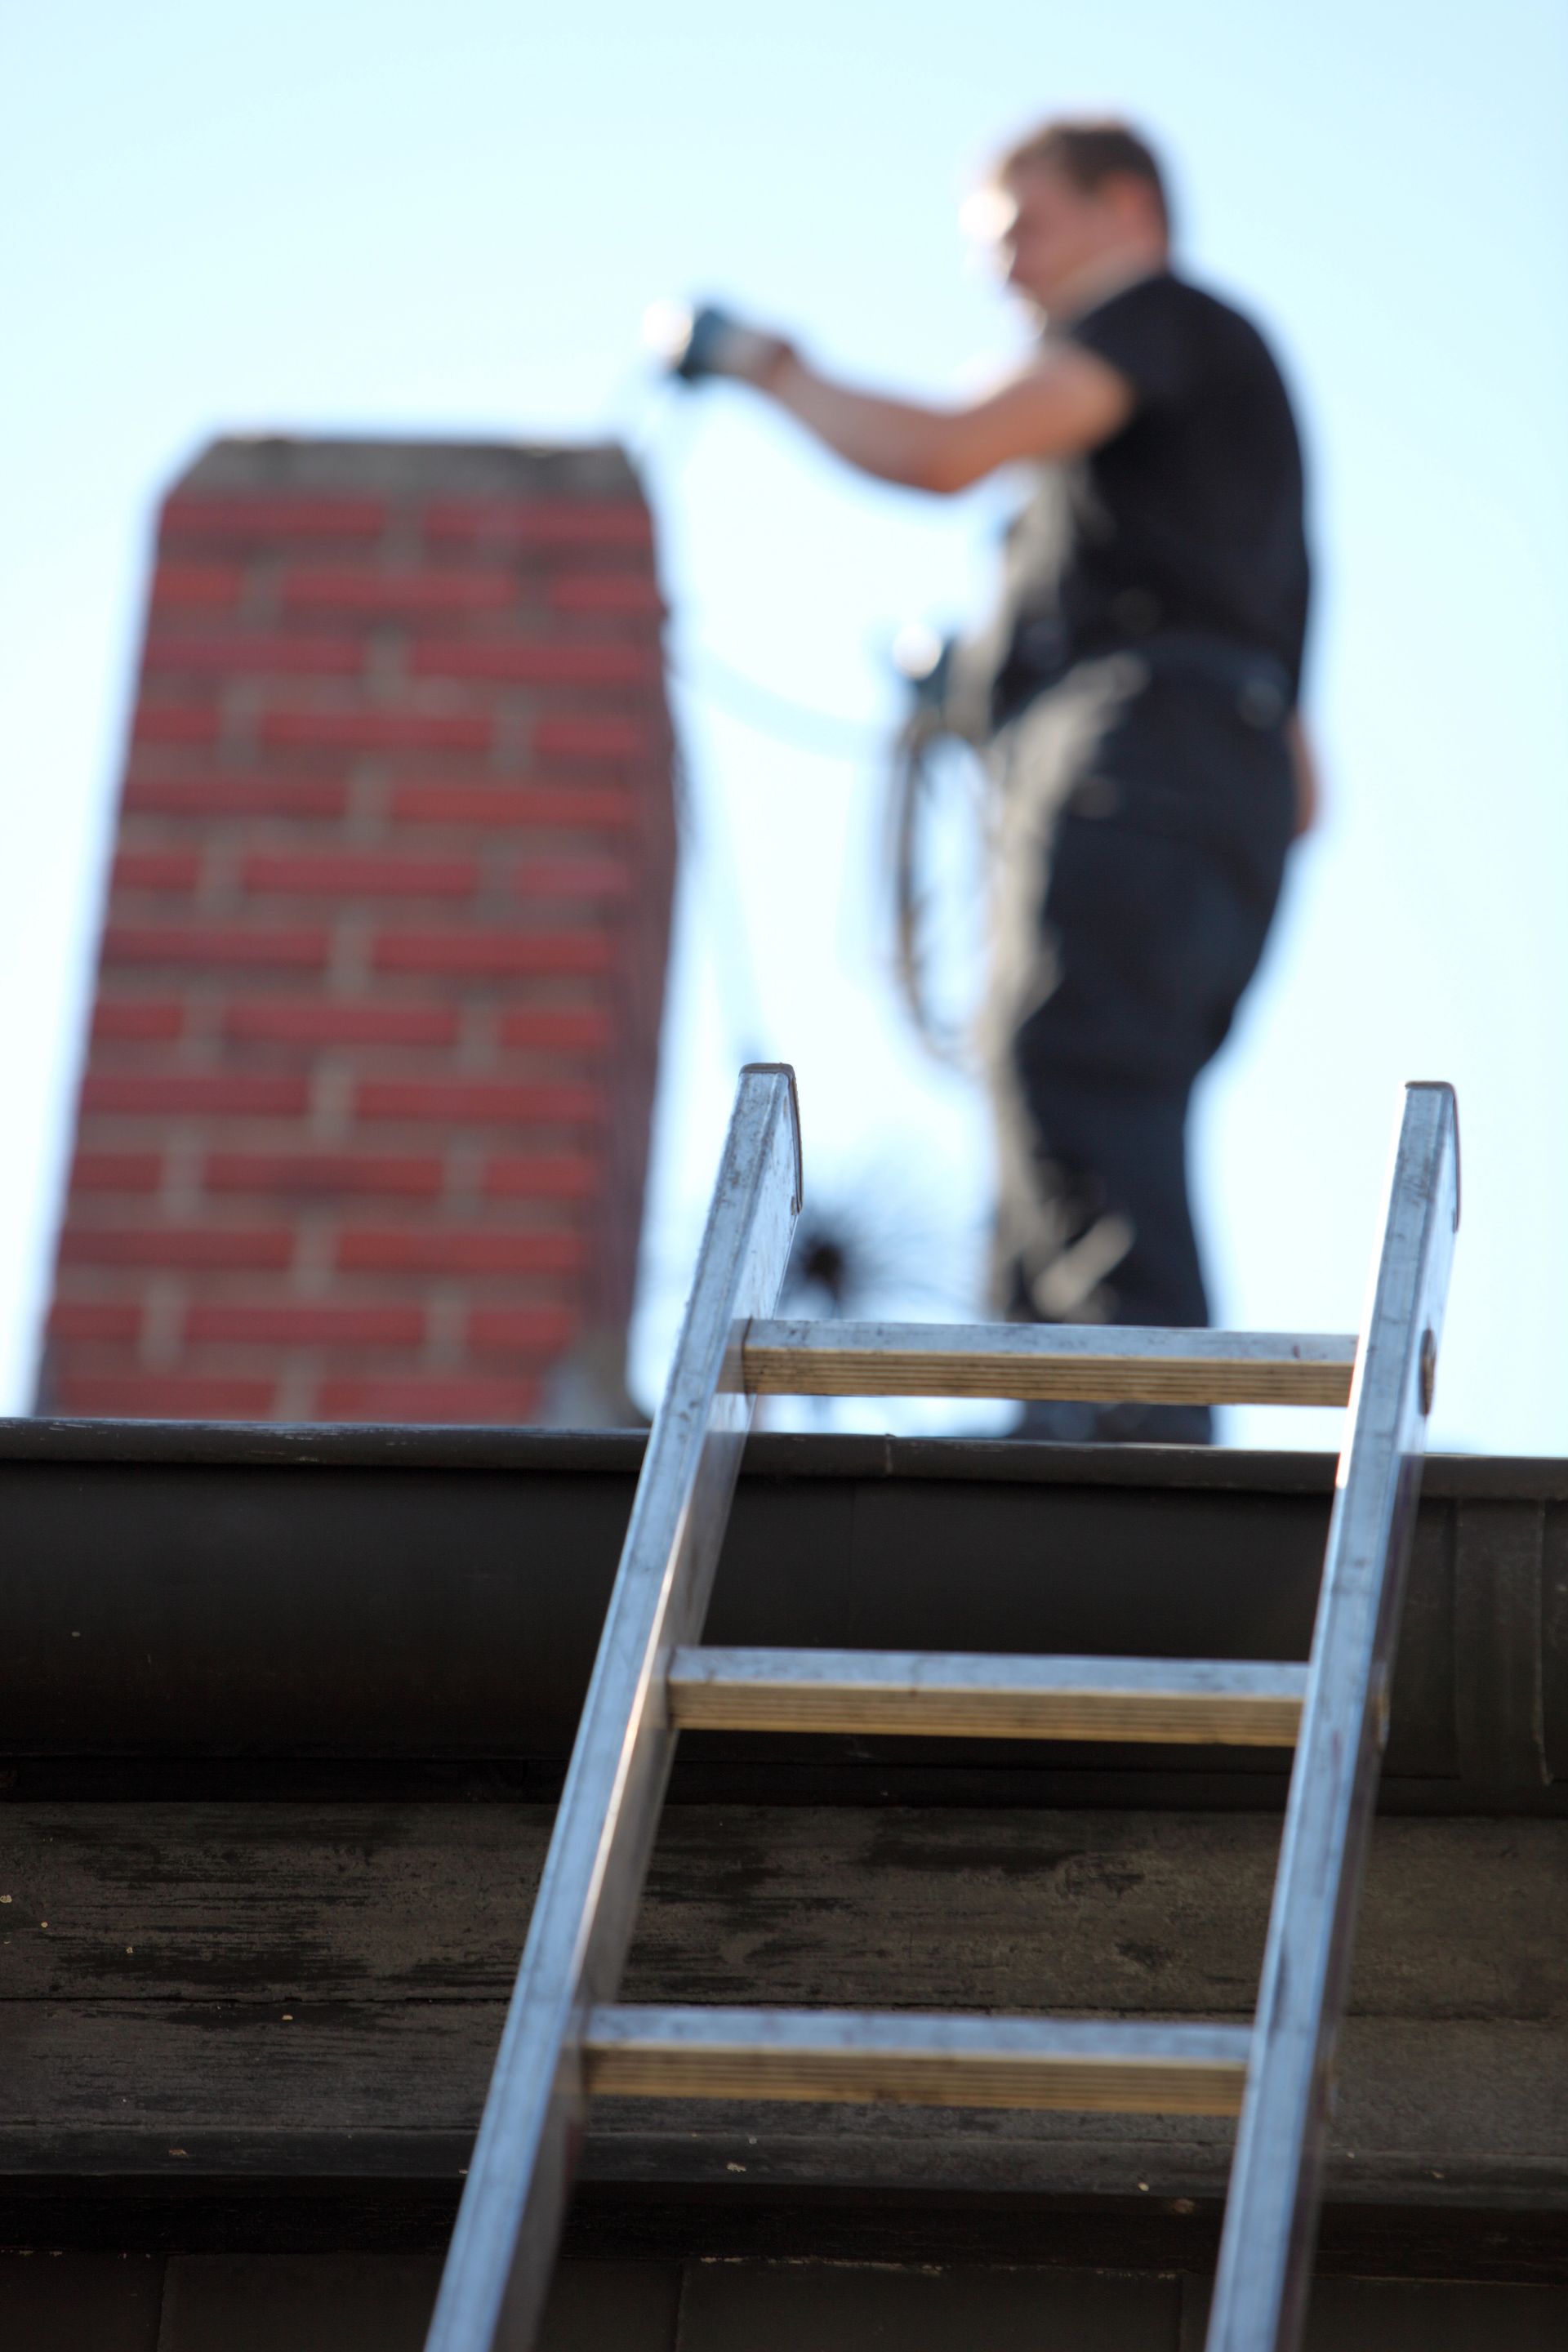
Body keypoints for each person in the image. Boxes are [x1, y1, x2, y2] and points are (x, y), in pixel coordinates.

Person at [683, 118, 1314, 1441]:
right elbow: (1293, 758)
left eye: (1023, 229)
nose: (1003, 273)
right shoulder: (1189, 468)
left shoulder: (1160, 324)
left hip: (1139, 763)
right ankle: (1057, 1415)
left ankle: (1128, 1434)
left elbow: (942, 451)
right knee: (1061, 1079)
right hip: (1202, 783)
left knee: (1061, 1055)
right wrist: (974, 687)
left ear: (1126, 205)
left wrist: (765, 366)